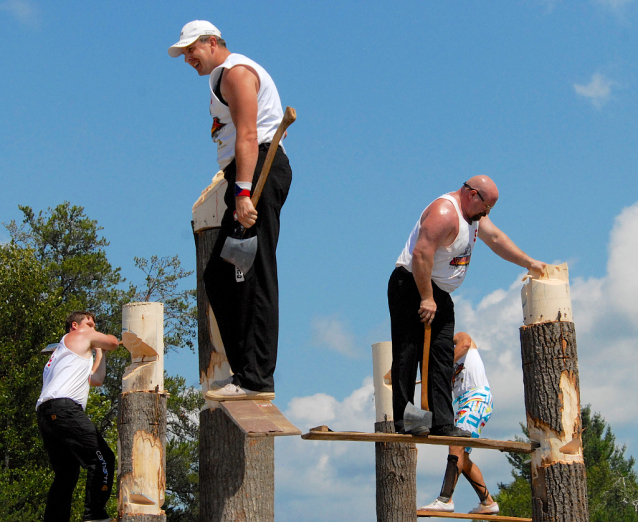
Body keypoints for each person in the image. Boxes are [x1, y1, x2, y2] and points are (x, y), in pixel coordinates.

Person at [168, 20, 292, 401]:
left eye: (192, 49)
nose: (188, 57)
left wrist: (242, 191)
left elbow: (250, 134)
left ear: (212, 41)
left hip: (256, 176)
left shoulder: (235, 72)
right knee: (222, 277)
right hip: (247, 175)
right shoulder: (220, 78)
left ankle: (256, 378)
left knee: (253, 272)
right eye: (184, 52)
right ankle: (246, 373)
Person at [389, 176, 545, 436]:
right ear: (472, 194)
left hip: (439, 292)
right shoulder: (444, 212)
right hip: (412, 285)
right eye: (487, 207)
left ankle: (442, 423)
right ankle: (404, 422)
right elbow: (421, 254)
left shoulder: (473, 217)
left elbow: (496, 238)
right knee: (408, 352)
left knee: (441, 356)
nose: (487, 213)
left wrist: (529, 263)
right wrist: (426, 297)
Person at [36, 311, 119, 522]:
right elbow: (114, 342)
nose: (93, 327)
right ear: (75, 325)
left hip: (48, 414)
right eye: (89, 323)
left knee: (66, 474)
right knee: (102, 457)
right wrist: (101, 341)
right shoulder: (79, 335)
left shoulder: (68, 353)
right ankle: (95, 515)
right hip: (64, 408)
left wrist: (99, 352)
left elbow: (96, 379)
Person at [420, 332, 499, 515]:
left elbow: (465, 343)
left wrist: (442, 368)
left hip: (476, 397)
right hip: (463, 403)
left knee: (456, 444)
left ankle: (445, 499)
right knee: (463, 456)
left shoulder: (458, 339)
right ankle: (487, 502)